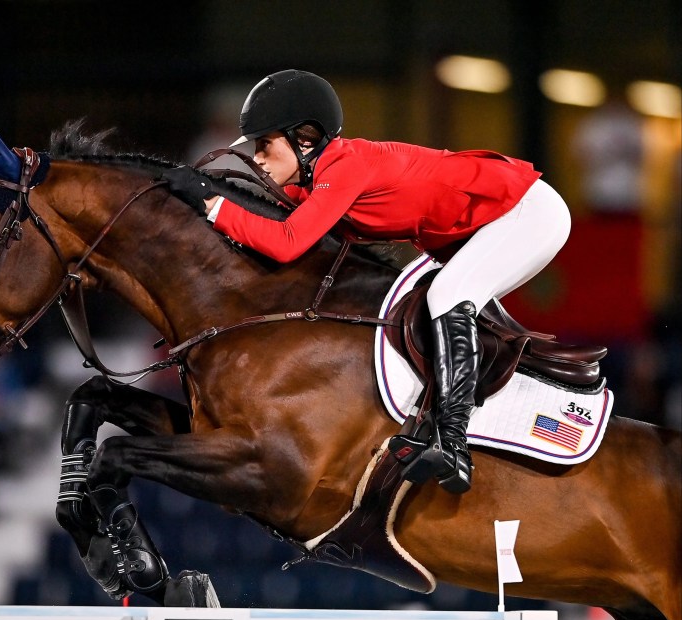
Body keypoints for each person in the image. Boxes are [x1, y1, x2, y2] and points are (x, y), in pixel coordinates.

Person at [161, 69, 572, 495]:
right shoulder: (323, 174)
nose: (259, 157)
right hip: (492, 222)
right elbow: (272, 213)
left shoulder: (345, 165)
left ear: (305, 139)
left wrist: (210, 204)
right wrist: (212, 192)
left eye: (265, 145)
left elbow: (286, 243)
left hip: (527, 212)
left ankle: (453, 445)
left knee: (448, 295)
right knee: (434, 297)